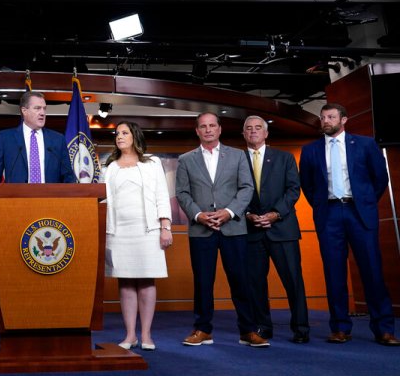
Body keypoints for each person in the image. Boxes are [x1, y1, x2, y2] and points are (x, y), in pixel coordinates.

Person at [299, 103, 398, 346]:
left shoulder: (364, 144)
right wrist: (324, 206)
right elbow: (308, 186)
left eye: (331, 117)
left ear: (344, 120)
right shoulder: (310, 150)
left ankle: (384, 329)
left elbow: (380, 178)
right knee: (334, 274)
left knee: (372, 272)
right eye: (323, 117)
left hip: (359, 212)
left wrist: (364, 202)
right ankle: (340, 328)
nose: (325, 121)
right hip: (329, 214)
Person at [176, 112, 263, 347]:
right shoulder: (186, 159)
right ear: (197, 131)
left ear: (220, 129)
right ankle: (203, 329)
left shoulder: (237, 156)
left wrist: (229, 212)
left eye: (212, 125)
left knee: (240, 280)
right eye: (203, 126)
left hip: (233, 228)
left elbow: (246, 188)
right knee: (203, 282)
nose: (208, 130)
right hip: (201, 229)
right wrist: (198, 215)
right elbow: (182, 193)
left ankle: (248, 331)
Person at [103, 121, 172, 351]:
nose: (119, 137)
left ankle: (146, 335)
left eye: (124, 133)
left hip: (147, 231)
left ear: (135, 136)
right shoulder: (110, 166)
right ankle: (130, 335)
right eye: (117, 134)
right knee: (125, 282)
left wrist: (165, 227)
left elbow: (162, 195)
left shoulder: (152, 163)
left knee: (146, 280)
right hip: (118, 232)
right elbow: (104, 199)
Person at [242, 115, 309, 344]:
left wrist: (275, 214)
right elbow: (232, 193)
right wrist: (248, 214)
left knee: (293, 281)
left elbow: (293, 190)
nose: (253, 131)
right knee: (255, 284)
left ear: (266, 133)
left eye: (258, 128)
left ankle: (301, 328)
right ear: (243, 134)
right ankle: (263, 327)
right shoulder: (236, 159)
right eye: (248, 128)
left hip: (282, 229)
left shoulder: (285, 158)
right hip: (251, 231)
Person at [0, 91, 76, 184]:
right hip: (16, 197)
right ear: (24, 111)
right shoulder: (6, 138)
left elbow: (68, 176)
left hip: (49, 197)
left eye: (44, 108)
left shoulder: (58, 139)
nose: (42, 113)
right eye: (37, 108)